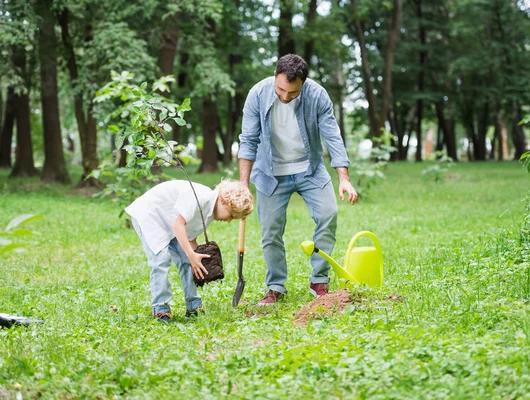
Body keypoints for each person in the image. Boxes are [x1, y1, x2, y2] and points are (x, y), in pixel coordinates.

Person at [238, 54, 358, 306]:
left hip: (310, 169)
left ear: (303, 83)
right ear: (275, 76)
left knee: (328, 214)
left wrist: (343, 178)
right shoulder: (257, 94)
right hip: (271, 174)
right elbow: (248, 140)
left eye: (292, 92)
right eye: (281, 89)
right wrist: (243, 185)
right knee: (270, 231)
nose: (284, 96)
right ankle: (275, 287)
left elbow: (332, 136)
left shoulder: (317, 95)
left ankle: (319, 279)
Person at [125, 179, 253, 322]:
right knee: (160, 261)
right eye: (231, 215)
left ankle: (194, 305)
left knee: (188, 261)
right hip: (151, 215)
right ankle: (161, 309)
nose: (229, 220)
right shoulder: (200, 197)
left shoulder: (210, 214)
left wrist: (195, 257)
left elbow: (189, 237)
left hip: (171, 221)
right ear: (224, 201)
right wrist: (191, 254)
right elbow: (178, 225)